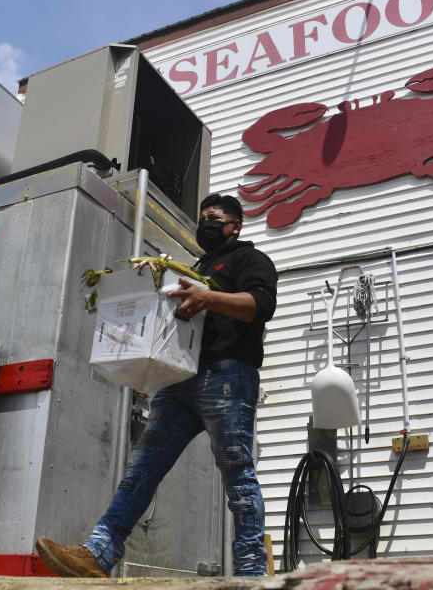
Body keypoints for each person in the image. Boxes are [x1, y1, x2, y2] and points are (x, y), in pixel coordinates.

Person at [35, 193, 278, 578]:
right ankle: (98, 554)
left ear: (235, 226)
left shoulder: (251, 260)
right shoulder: (196, 265)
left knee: (237, 472)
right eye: (202, 216)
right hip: (178, 379)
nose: (205, 223)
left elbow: (261, 306)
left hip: (227, 376)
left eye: (213, 217)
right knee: (142, 468)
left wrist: (208, 296)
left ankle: (250, 572)